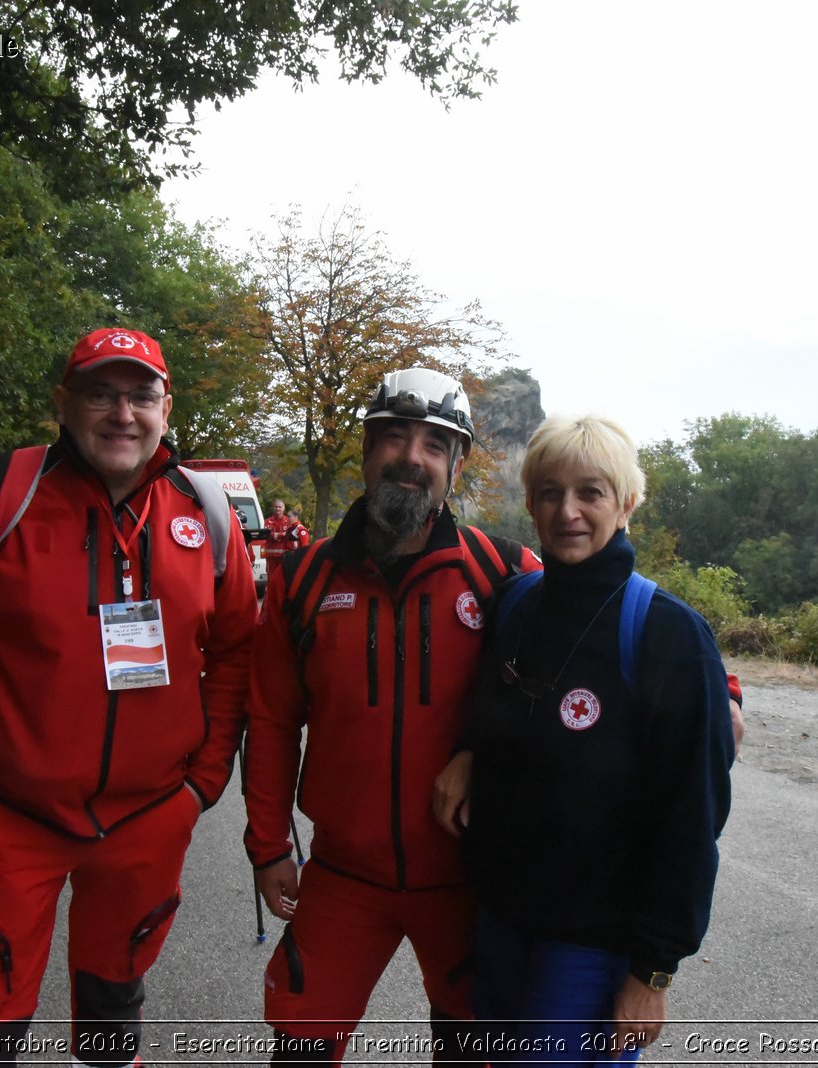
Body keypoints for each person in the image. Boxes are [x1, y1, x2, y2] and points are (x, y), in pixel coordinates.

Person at [0, 327, 258, 1066]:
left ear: (166, 407)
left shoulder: (204, 514)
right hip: (10, 822)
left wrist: (202, 784)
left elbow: (240, 651)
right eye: (100, 394)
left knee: (113, 1029)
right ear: (64, 403)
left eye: (141, 396)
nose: (123, 414)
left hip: (149, 821)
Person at [244, 367, 540, 1064]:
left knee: (474, 1050)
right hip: (344, 878)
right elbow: (273, 722)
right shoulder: (303, 580)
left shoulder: (503, 573)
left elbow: (611, 615)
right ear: (367, 447)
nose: (413, 457)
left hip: (468, 878)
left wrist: (721, 684)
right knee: (299, 1048)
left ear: (457, 465)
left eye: (437, 444)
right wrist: (267, 846)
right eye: (396, 436)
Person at [432, 414, 735, 1066]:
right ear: (532, 502)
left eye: (590, 492)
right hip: (502, 927)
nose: (566, 510)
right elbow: (495, 709)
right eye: (549, 492)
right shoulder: (516, 605)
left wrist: (653, 974)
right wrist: (468, 753)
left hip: (593, 953)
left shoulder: (666, 635)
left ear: (626, 502)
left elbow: (692, 817)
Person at [262, 497, 295, 578]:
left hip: (284, 556)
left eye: (280, 507)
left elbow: (289, 535)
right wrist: (281, 535)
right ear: (273, 508)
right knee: (271, 578)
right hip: (271, 556)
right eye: (276, 507)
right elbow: (266, 535)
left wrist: (275, 535)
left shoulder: (288, 521)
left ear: (284, 508)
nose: (278, 509)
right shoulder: (267, 521)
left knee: (283, 578)